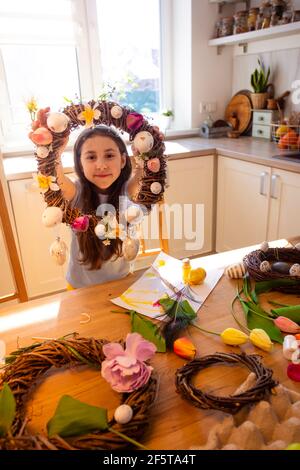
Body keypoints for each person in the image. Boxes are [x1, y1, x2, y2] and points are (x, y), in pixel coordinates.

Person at [51, 122, 163, 290]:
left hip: (121, 283)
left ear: (123, 160)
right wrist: (54, 150)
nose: (101, 165)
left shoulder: (127, 190)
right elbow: (55, 177)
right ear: (80, 163)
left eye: (109, 155)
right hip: (80, 288)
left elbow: (146, 174)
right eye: (91, 157)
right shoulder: (76, 192)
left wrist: (149, 148)